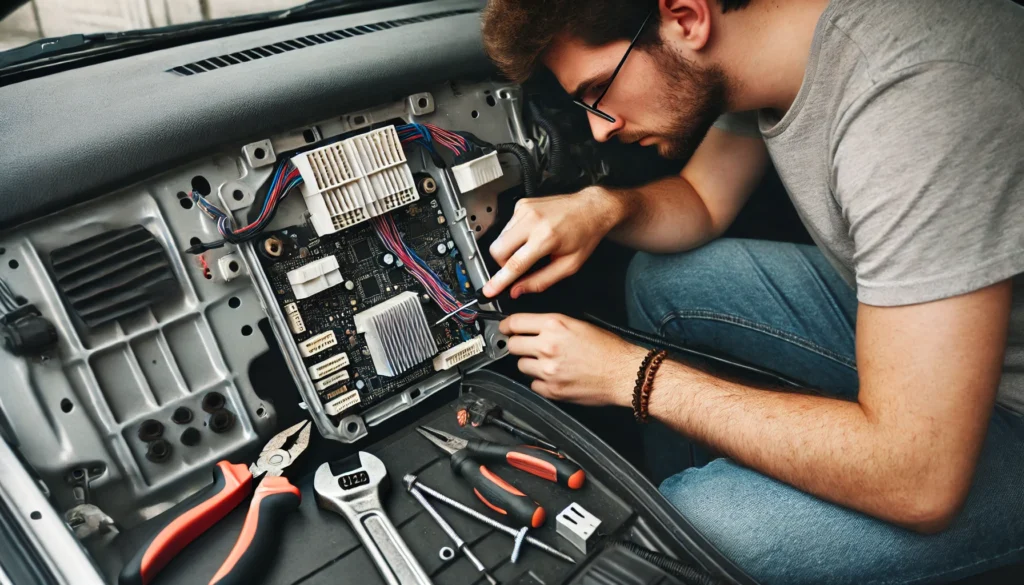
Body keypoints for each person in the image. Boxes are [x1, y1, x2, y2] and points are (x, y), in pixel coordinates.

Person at [478, 0, 1024, 583]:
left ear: (686, 18)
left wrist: (632, 376)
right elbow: (703, 202)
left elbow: (919, 478)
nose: (598, 126)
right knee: (668, 283)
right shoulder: (766, 52)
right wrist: (602, 206)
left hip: (994, 417)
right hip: (966, 343)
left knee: (686, 527)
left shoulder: (909, 102)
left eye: (598, 90)